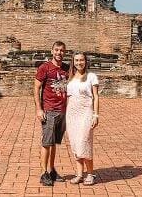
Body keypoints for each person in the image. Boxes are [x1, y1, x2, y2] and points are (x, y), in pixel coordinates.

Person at [34, 41, 70, 186]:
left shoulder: (67, 68)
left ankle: (52, 170)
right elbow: (36, 88)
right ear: (52, 51)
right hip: (49, 110)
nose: (59, 53)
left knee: (54, 142)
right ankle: (44, 173)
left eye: (62, 50)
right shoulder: (45, 67)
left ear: (64, 52)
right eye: (56, 50)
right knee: (47, 143)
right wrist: (39, 109)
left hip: (62, 110)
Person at [65, 52, 100, 185]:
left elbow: (96, 96)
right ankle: (79, 174)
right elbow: (68, 97)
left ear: (86, 62)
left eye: (81, 60)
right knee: (75, 143)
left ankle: (90, 174)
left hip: (86, 113)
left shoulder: (91, 77)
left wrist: (96, 115)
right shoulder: (71, 78)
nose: (79, 63)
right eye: (77, 60)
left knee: (84, 142)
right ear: (73, 62)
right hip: (72, 114)